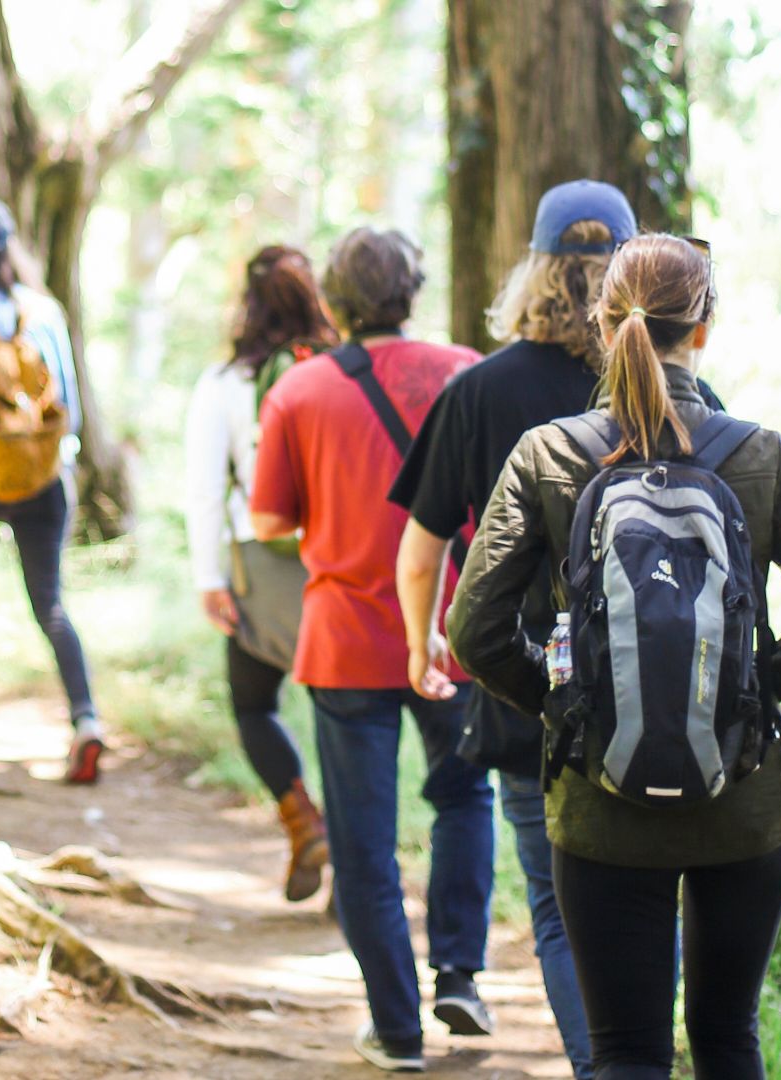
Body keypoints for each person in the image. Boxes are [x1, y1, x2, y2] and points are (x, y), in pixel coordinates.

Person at [448, 234, 781, 1079]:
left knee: (625, 1053)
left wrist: (567, 699)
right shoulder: (761, 455)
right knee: (728, 1041)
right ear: (705, 329)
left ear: (603, 327)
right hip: (745, 798)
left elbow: (476, 631)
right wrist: (751, 690)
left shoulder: (548, 455)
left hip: (599, 804)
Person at [390, 181, 725, 1076]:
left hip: (532, 694)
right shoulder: (688, 393)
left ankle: (607, 1064)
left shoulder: (480, 390)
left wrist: (426, 639)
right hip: (671, 699)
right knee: (657, 900)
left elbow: (422, 549)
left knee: (557, 903)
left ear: (534, 268)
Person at [250, 227, 494, 1074]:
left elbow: (269, 520)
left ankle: (396, 1030)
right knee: (465, 799)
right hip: (454, 632)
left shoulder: (299, 391)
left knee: (363, 842)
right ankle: (460, 972)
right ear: (413, 290)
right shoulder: (466, 371)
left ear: (337, 301)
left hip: (348, 641)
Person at [183, 244, 338, 901]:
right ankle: (355, 866)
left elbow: (202, 489)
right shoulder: (343, 371)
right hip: (341, 566)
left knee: (254, 704)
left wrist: (209, 578)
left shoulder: (225, 384)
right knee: (344, 717)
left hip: (259, 565)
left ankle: (302, 816)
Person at [0, 196, 104, 784]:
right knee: (50, 603)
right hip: (41, 481)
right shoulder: (43, 313)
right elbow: (71, 411)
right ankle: (86, 720)